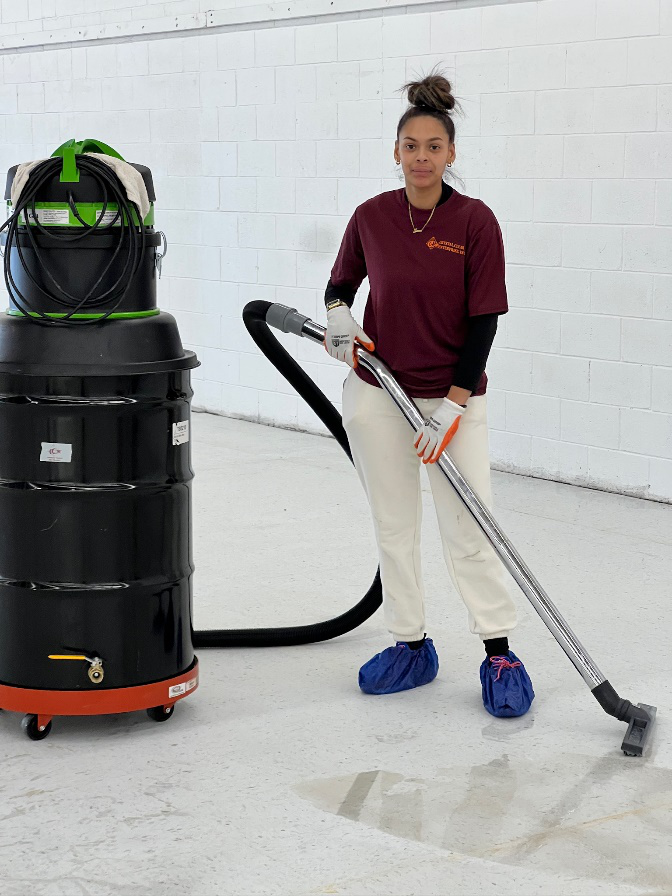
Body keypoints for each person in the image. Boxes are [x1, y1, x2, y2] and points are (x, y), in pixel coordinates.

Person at [324, 73, 534, 718]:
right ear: (396, 152)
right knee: (395, 527)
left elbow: (485, 320)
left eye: (433, 146)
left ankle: (499, 652)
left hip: (453, 401)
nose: (421, 156)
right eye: (410, 146)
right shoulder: (372, 216)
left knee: (470, 528)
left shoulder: (475, 221)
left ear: (450, 154)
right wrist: (338, 317)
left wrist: (454, 405)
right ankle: (411, 645)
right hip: (379, 393)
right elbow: (339, 286)